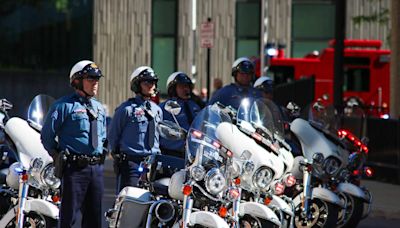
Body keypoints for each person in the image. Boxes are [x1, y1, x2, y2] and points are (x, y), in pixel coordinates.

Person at [41, 60, 107, 228]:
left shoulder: (99, 108)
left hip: (97, 170)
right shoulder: (63, 106)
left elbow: (103, 137)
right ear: (77, 81)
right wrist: (58, 156)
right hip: (74, 170)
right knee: (68, 218)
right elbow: (47, 136)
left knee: (94, 219)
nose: (95, 83)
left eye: (97, 79)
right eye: (90, 79)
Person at [108, 66, 163, 193]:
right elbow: (113, 135)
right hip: (132, 163)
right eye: (147, 82)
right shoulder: (126, 109)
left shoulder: (157, 110)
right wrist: (117, 156)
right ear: (137, 85)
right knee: (128, 198)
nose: (151, 85)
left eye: (153, 82)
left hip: (153, 163)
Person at [159, 72, 201, 158]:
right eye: (182, 86)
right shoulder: (165, 107)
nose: (186, 89)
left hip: (193, 154)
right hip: (171, 154)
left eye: (187, 86)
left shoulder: (195, 106)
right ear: (173, 89)